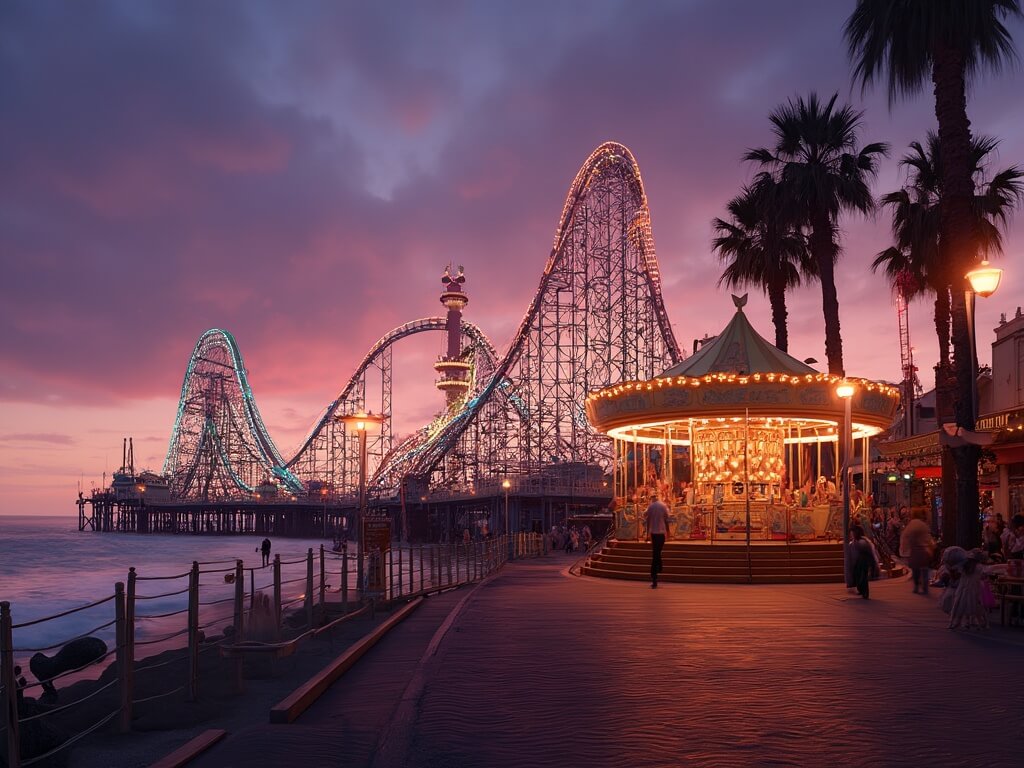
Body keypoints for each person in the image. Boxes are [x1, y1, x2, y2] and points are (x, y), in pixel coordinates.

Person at [948, 554, 989, 630]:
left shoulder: (964, 566)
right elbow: (983, 575)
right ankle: (983, 623)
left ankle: (955, 622)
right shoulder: (979, 567)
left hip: (963, 587)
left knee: (960, 605)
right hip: (974, 588)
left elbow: (956, 573)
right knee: (977, 606)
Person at [899, 510, 935, 595]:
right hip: (924, 549)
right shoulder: (923, 525)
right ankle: (925, 587)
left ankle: (916, 586)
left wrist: (904, 550)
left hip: (914, 550)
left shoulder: (910, 525)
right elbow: (928, 538)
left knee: (916, 570)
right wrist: (931, 547)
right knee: (924, 569)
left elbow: (905, 537)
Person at [645, 493, 670, 589]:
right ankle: (658, 568)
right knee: (658, 552)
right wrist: (668, 531)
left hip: (654, 533)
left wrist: (647, 533)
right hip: (661, 532)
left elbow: (647, 517)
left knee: (655, 553)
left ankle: (654, 576)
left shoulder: (650, 507)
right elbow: (667, 517)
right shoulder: (663, 505)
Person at [849, 524, 878, 599]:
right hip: (859, 561)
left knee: (862, 576)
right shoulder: (856, 541)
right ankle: (862, 590)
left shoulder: (863, 542)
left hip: (863, 560)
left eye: (853, 532)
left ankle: (864, 591)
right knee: (858, 575)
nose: (851, 534)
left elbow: (868, 552)